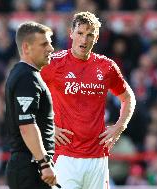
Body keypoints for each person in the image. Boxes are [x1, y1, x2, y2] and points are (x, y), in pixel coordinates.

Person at [41, 11, 136, 189]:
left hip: (97, 158)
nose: (84, 40)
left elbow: (128, 97)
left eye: (90, 34)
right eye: (80, 33)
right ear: (71, 33)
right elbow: (26, 96)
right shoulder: (53, 64)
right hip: (65, 158)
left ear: (97, 37)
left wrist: (119, 126)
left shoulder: (106, 67)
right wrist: (47, 128)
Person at [5, 21, 58, 189]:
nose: (51, 49)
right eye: (44, 44)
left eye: (50, 43)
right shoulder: (27, 77)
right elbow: (27, 125)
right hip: (31, 167)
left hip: (29, 166)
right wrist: (44, 163)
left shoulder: (24, 74)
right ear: (26, 47)